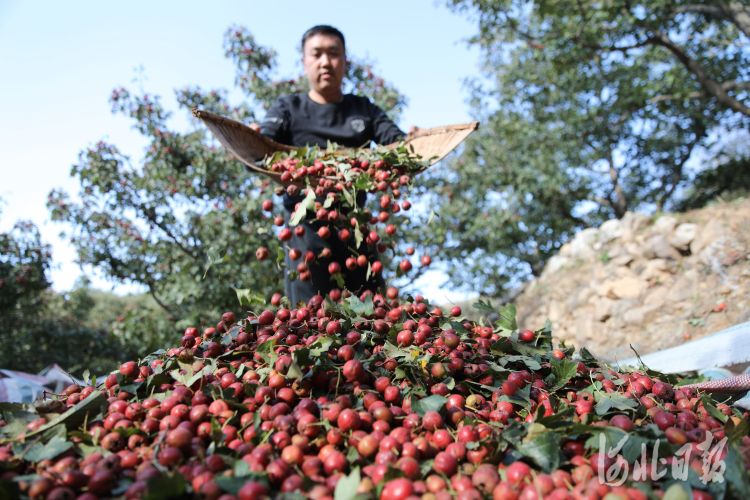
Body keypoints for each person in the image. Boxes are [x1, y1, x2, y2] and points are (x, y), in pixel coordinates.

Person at [250, 25, 421, 305]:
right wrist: (253, 140)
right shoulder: (287, 109)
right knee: (312, 327)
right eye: (316, 54)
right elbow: (260, 154)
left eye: (334, 53)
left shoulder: (364, 109)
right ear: (304, 62)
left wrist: (415, 141)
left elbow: (398, 146)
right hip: (305, 232)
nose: (326, 61)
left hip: (357, 229)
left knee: (373, 322)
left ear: (345, 61)